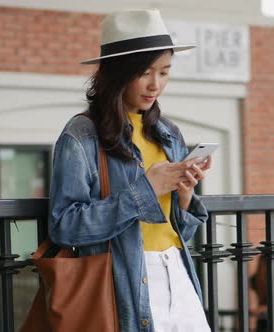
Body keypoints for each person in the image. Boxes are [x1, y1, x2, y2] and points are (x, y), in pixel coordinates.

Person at [48, 9, 212, 332]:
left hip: (177, 271)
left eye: (164, 72)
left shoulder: (168, 133)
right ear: (118, 74)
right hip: (125, 280)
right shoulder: (82, 135)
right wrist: (144, 191)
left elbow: (180, 230)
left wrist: (184, 195)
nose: (156, 85)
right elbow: (64, 225)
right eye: (145, 72)